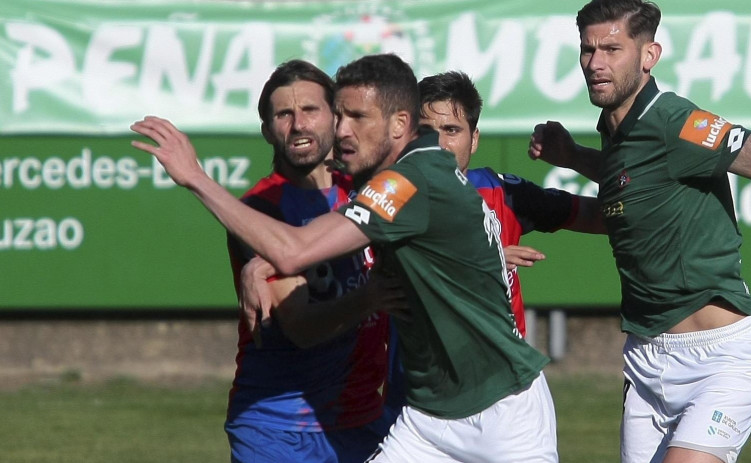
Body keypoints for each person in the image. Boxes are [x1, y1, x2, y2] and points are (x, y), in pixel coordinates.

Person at [132, 53, 558, 463]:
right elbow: (320, 237)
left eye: (357, 117)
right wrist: (264, 260)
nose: (343, 130)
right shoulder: (396, 172)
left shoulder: (406, 182)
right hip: (428, 416)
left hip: (502, 409)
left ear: (399, 124)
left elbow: (296, 248)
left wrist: (195, 178)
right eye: (341, 116)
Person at [528, 1, 751, 462]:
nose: (596, 63)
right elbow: (634, 181)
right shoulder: (618, 128)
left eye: (612, 48)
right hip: (646, 361)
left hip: (721, 361)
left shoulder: (671, 119)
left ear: (649, 55)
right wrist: (574, 157)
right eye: (588, 50)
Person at [223, 59, 404, 463]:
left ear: (335, 117)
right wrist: (373, 297)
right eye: (283, 114)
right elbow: (302, 328)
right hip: (278, 428)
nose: (299, 125)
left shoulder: (366, 192)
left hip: (362, 419)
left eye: (310, 110)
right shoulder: (260, 210)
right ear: (267, 129)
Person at [418, 70, 604, 337]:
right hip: (427, 369)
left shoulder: (502, 191)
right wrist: (484, 262)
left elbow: (601, 216)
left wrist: (575, 158)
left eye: (451, 130)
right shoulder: (388, 198)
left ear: (474, 140)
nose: (439, 144)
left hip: (511, 370)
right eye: (426, 131)